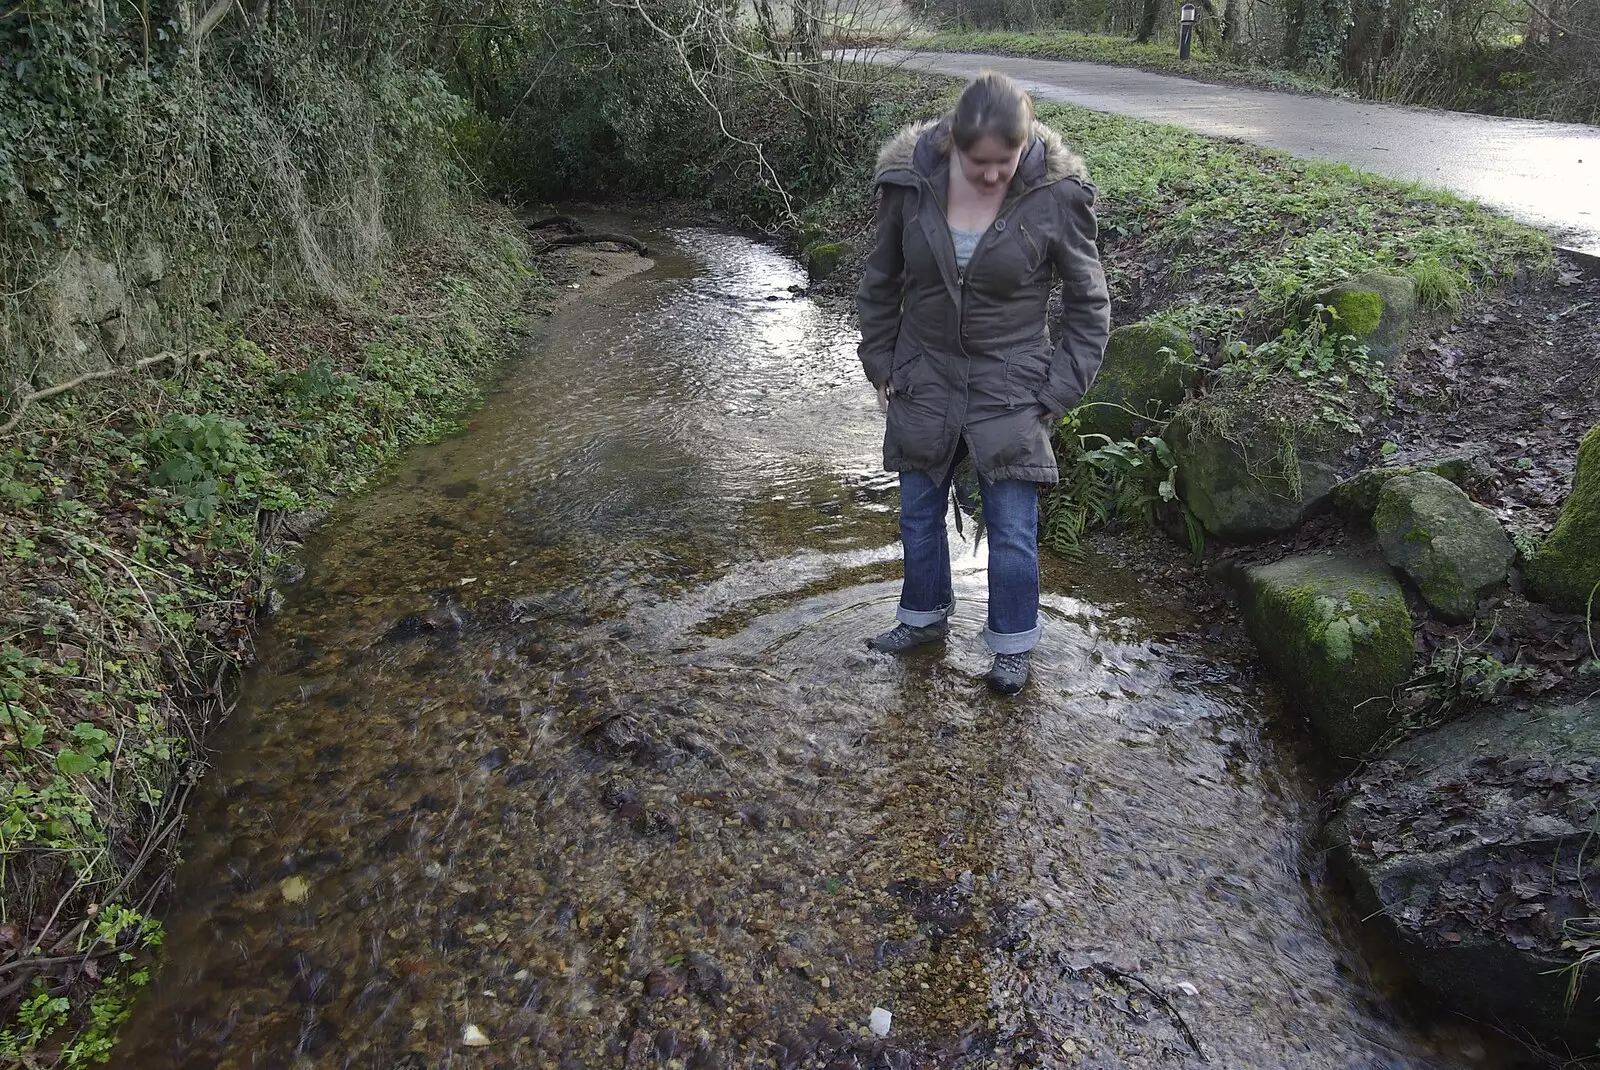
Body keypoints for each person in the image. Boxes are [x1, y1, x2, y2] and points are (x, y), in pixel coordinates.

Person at [856, 71, 1111, 695]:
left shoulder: (1057, 197)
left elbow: (1089, 305)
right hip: (924, 372)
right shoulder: (910, 187)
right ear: (951, 143)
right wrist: (882, 362)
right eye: (979, 163)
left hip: (1012, 380)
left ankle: (1012, 648)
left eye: (1007, 160)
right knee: (917, 513)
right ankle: (921, 620)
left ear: (1026, 145)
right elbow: (880, 281)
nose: (995, 175)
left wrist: (1057, 391)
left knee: (1013, 526)